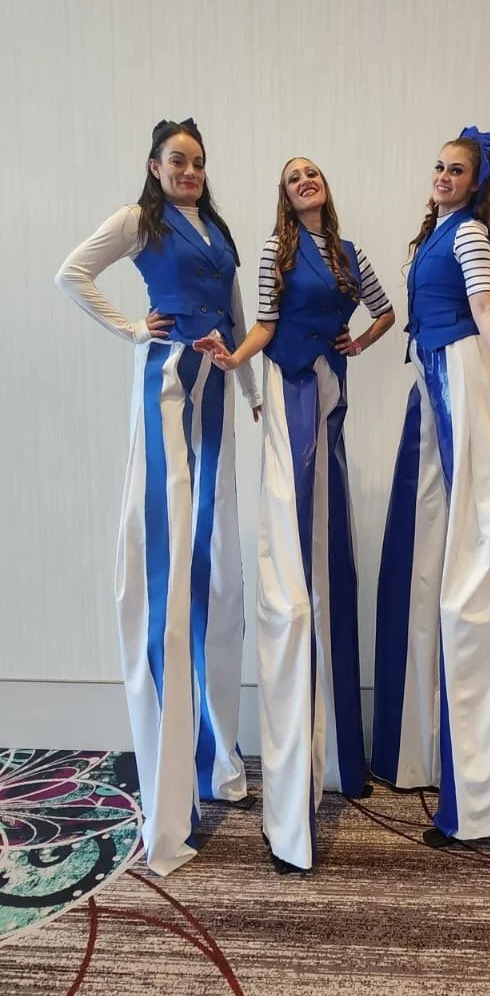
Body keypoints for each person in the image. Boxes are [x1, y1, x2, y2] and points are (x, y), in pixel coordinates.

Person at [55, 118, 261, 877]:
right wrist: (133, 331)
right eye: (178, 160)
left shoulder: (217, 229)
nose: (190, 171)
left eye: (199, 162)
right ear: (154, 164)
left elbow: (237, 315)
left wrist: (249, 388)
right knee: (168, 577)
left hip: (215, 392)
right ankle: (170, 793)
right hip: (169, 385)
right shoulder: (138, 220)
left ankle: (215, 759)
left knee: (216, 577)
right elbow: (70, 274)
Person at [196, 157, 395, 873]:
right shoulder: (274, 253)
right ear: (284, 197)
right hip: (283, 388)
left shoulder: (350, 255)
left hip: (327, 385)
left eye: (311, 174)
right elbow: (265, 325)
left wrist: (362, 342)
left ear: (325, 187)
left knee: (320, 535)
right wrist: (231, 358)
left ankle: (332, 752)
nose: (303, 182)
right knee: (289, 532)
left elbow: (385, 311)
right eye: (292, 178)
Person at [370, 127, 490, 851]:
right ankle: (428, 755)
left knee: (475, 553)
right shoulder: (436, 233)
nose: (443, 176)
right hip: (432, 376)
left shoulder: (467, 234)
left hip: (461, 375)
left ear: (476, 183)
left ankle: (483, 791)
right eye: (439, 166)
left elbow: (484, 304)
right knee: (434, 556)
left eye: (457, 170)